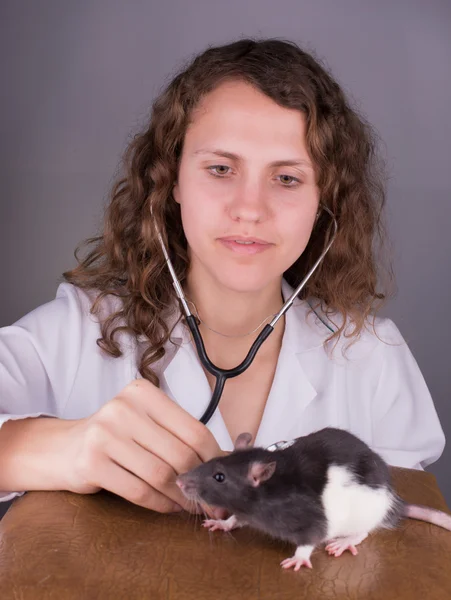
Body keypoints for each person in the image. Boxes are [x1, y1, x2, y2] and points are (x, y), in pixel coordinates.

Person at [0, 39, 445, 517]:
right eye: (220, 168)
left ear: (324, 201)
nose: (249, 209)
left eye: (287, 178)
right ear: (171, 180)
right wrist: (60, 447)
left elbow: (403, 540)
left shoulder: (373, 357)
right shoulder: (77, 329)